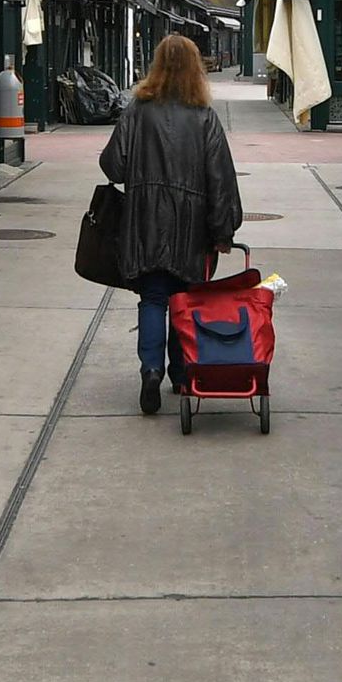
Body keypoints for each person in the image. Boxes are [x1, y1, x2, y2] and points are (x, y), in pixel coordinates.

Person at [98, 34, 243, 416]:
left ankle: (150, 370)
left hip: (143, 221)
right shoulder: (204, 118)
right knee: (185, 301)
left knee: (153, 298)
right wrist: (223, 230)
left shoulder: (136, 111)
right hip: (190, 227)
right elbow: (220, 178)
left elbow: (112, 165)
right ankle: (181, 374)